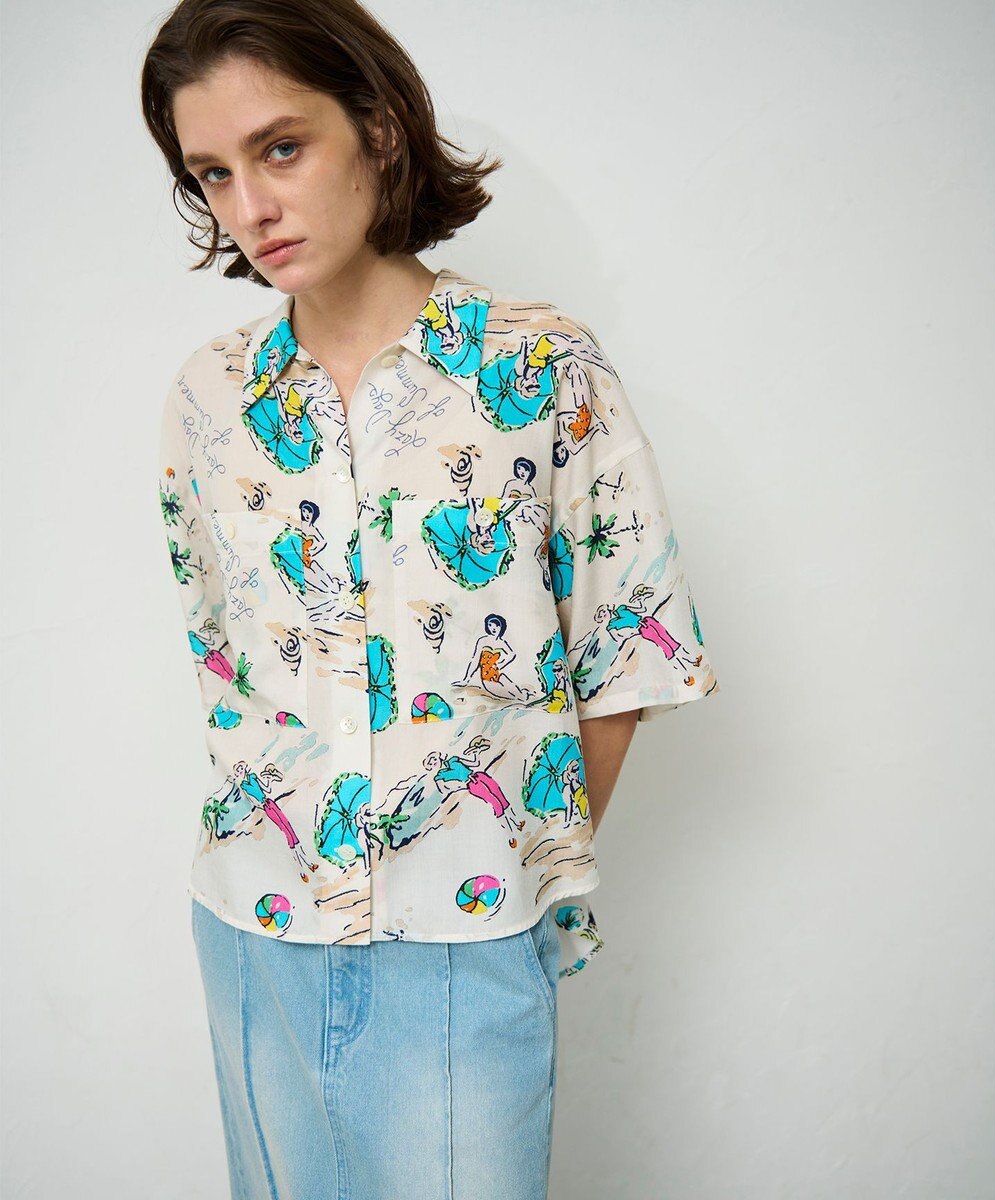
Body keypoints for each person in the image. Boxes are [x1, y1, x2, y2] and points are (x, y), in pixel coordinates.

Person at [143, 2, 721, 1196]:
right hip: (253, 930)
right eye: (213, 172)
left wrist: (497, 863)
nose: (249, 206)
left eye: (280, 148)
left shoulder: (539, 368)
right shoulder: (209, 397)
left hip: (467, 937)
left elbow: (627, 654)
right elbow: (221, 656)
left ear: (379, 128)